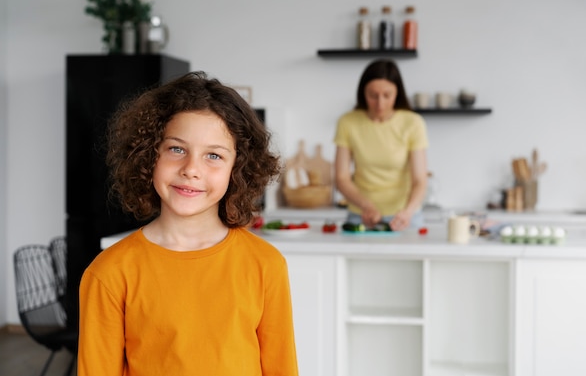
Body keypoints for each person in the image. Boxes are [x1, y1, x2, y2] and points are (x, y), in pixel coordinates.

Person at [78, 72, 298, 376]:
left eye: (213, 155)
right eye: (177, 149)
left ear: (238, 168)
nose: (191, 169)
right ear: (148, 155)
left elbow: (281, 368)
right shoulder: (109, 273)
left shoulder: (266, 265)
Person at [334, 59, 429, 231]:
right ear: (363, 93)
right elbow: (342, 179)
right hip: (361, 215)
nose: (380, 103)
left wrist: (407, 212)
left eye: (387, 95)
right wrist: (366, 206)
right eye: (373, 95)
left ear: (397, 93)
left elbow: (419, 180)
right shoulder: (347, 122)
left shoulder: (413, 123)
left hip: (405, 216)